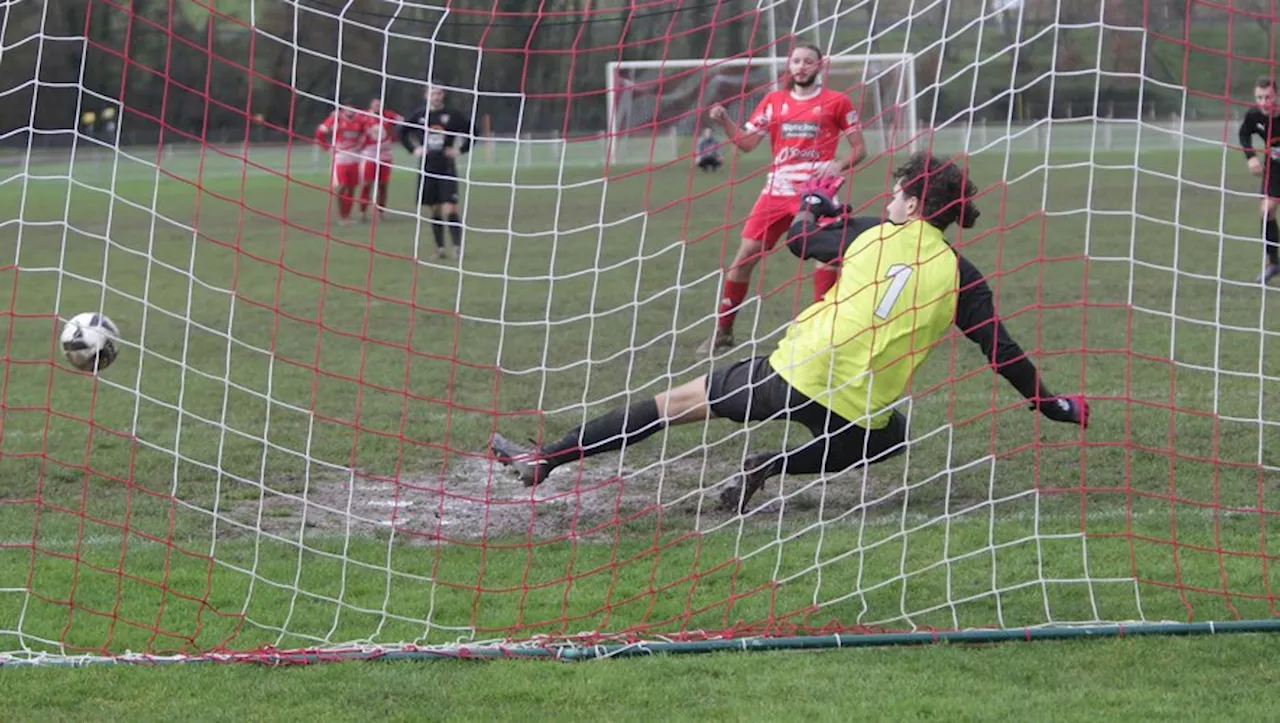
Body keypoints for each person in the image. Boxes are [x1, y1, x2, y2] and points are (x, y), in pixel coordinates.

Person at [490, 152, 1089, 514]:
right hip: (858, 404)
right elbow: (1002, 353)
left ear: (912, 202)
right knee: (889, 437)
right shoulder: (964, 275)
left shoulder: (869, 231)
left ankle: (547, 458)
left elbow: (801, 241)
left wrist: (812, 204)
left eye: (899, 191)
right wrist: (1053, 406)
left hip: (793, 372)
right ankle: (770, 465)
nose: (893, 198)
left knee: (671, 406)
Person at [699, 42, 867, 356]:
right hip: (776, 192)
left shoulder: (837, 102)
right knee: (742, 260)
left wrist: (840, 163)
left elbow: (860, 148)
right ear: (789, 67)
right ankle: (723, 332)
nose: (801, 66)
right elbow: (747, 143)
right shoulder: (774, 102)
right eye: (796, 61)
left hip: (817, 195)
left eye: (808, 61)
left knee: (828, 258)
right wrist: (724, 122)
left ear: (819, 66)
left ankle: (824, 335)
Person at [401, 85, 473, 259]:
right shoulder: (419, 115)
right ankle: (440, 249)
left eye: (439, 93)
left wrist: (459, 150)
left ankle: (457, 247)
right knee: (434, 209)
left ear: (443, 95)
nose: (436, 96)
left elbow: (473, 132)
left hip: (446, 166)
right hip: (427, 167)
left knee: (450, 207)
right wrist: (414, 149)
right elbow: (403, 132)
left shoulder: (453, 115)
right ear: (426, 95)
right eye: (433, 93)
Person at [1239, 77, 1280, 284]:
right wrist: (1251, 157)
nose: (1264, 102)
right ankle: (1274, 263)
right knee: (1266, 211)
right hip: (1274, 168)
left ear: (1277, 96)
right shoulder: (1255, 115)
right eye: (1259, 97)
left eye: (1268, 97)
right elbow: (1244, 133)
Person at [314, 99, 370, 226]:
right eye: (346, 108)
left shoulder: (360, 119)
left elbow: (368, 132)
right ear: (343, 108)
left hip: (355, 157)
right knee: (342, 186)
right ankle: (342, 215)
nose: (349, 110)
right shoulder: (336, 118)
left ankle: (347, 216)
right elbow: (320, 132)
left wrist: (363, 143)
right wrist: (327, 147)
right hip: (341, 157)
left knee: (352, 187)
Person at [358, 98, 404, 223]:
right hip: (370, 153)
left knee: (383, 185)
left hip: (385, 153)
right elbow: (350, 118)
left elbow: (404, 122)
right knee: (367, 183)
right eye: (375, 105)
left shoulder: (389, 115)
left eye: (379, 105)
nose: (377, 106)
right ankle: (362, 211)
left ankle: (380, 211)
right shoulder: (363, 116)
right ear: (371, 106)